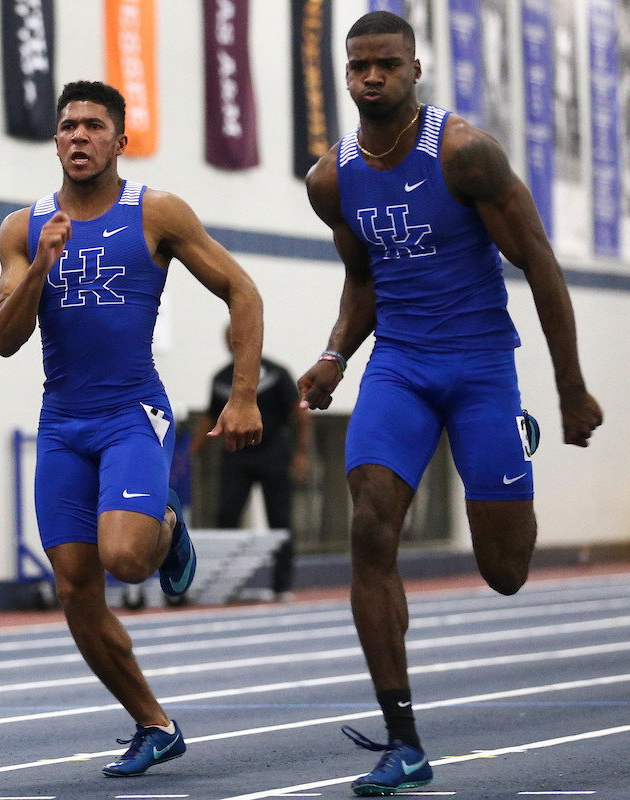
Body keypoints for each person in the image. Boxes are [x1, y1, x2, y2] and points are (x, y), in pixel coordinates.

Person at [298, 12, 603, 796]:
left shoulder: (465, 152)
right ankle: (403, 740)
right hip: (399, 367)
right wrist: (335, 355)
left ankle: (512, 436)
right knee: (371, 527)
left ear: (415, 68)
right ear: (346, 72)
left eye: (386, 64)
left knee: (505, 570)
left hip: (479, 367)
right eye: (358, 66)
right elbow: (363, 279)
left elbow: (540, 264)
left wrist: (570, 387)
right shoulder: (331, 180)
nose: (371, 77)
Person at [0, 81, 264, 777]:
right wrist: (41, 265)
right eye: (68, 126)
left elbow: (242, 290)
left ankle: (166, 526)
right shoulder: (23, 228)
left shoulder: (156, 212)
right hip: (62, 424)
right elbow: (3, 339)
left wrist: (243, 396)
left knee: (127, 560)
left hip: (131, 413)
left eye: (93, 125)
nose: (79, 136)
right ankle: (154, 723)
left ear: (120, 141)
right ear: (55, 141)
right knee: (75, 590)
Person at [194, 326, 311, 600]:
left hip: (272, 451)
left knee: (280, 520)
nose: (234, 343)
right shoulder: (221, 379)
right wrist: (188, 454)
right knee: (226, 517)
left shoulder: (276, 372)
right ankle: (223, 584)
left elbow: (299, 414)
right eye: (230, 339)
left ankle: (282, 586)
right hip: (237, 454)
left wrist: (301, 453)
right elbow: (209, 418)